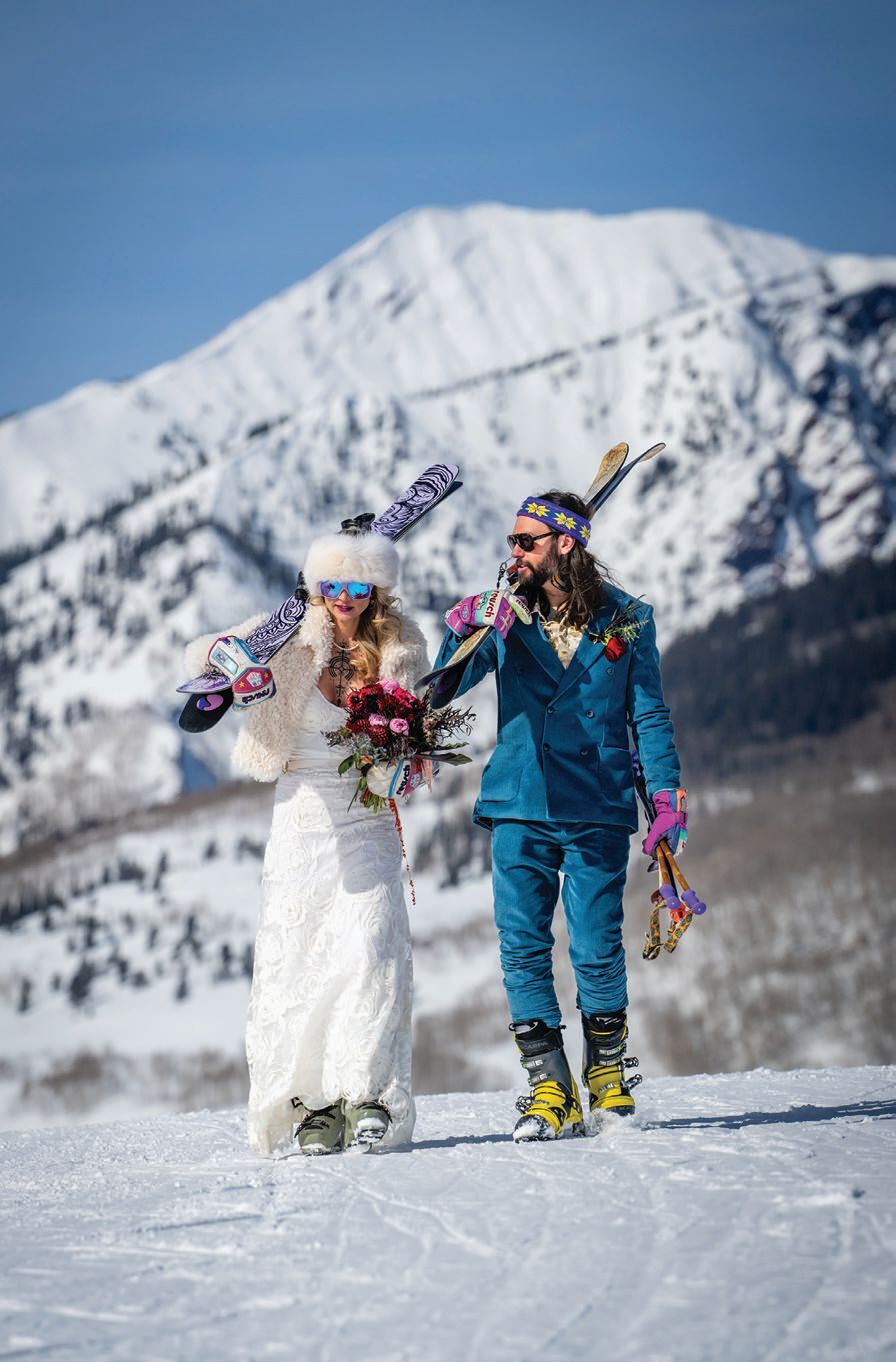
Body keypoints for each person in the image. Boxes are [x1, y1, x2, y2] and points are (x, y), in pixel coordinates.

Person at [431, 490, 687, 1142]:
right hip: (520, 801)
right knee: (521, 945)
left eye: (526, 542)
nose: (512, 553)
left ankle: (606, 1078)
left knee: (598, 945)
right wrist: (463, 631)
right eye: (511, 542)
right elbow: (444, 690)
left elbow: (649, 715)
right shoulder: (507, 617)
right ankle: (549, 1090)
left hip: (597, 803)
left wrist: (665, 798)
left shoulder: (628, 620)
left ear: (565, 544)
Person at [185, 527, 429, 1156]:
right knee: (303, 953)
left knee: (371, 945)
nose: (344, 597)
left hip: (367, 810)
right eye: (333, 585)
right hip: (299, 813)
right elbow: (199, 656)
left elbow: (419, 728)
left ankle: (368, 1095)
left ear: (375, 589)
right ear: (317, 586)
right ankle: (315, 1106)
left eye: (357, 586)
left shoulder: (401, 646)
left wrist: (404, 756)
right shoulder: (290, 634)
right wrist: (231, 661)